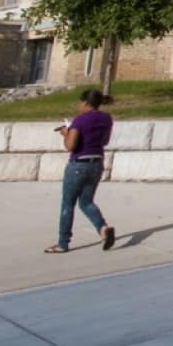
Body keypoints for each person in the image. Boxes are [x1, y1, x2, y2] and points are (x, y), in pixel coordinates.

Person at [47, 87, 116, 253]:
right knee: (86, 202)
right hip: (96, 164)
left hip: (78, 164)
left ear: (85, 102)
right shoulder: (107, 118)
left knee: (67, 204)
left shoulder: (80, 120)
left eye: (80, 102)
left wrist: (66, 134)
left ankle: (63, 243)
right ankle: (102, 228)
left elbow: (71, 146)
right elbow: (104, 141)